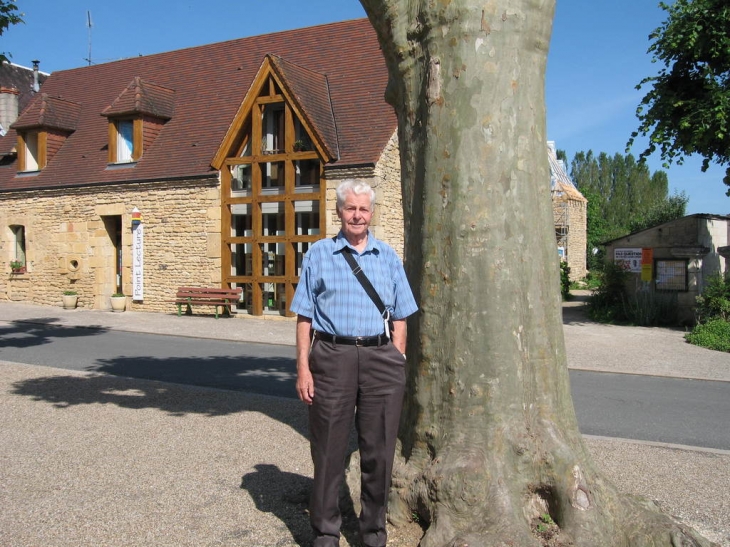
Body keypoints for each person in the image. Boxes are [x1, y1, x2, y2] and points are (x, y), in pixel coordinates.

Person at [290, 180, 418, 547]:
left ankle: (373, 533)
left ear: (372, 213)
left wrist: (397, 355)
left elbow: (402, 316)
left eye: (363, 209)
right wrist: (303, 368)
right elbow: (303, 317)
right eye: (350, 208)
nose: (357, 215)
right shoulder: (317, 255)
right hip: (331, 358)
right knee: (328, 452)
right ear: (339, 212)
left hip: (381, 360)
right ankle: (326, 532)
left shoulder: (389, 257)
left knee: (379, 453)